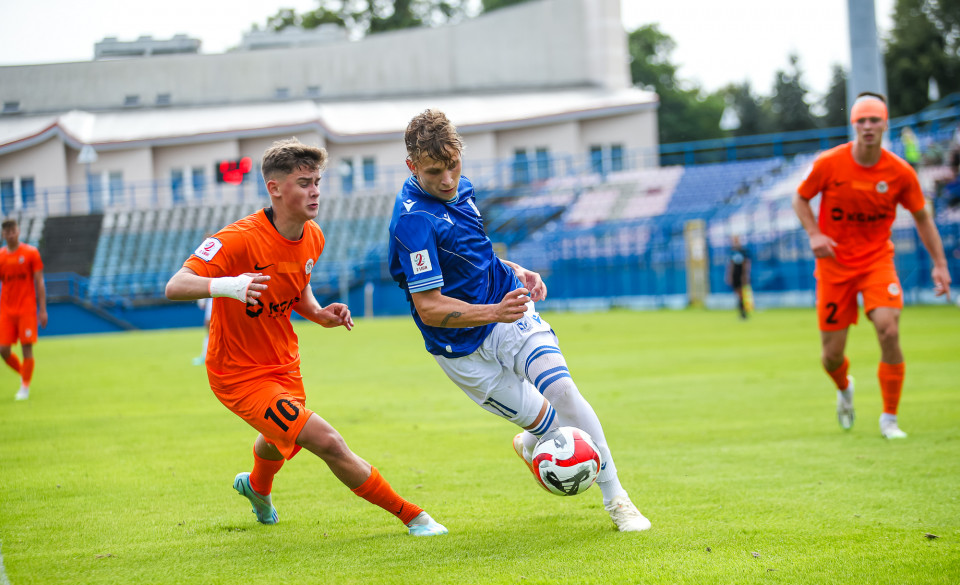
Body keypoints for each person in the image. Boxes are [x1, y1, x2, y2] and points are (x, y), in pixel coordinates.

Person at [165, 138, 447, 536]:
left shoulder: (313, 236)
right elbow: (176, 286)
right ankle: (414, 516)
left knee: (280, 438)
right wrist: (229, 285)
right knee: (326, 441)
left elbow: (297, 286)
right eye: (303, 183)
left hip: (284, 365)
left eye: (317, 182)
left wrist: (318, 313)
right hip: (238, 374)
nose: (315, 191)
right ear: (275, 188)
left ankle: (256, 487)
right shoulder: (237, 239)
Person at [388, 109, 651, 532]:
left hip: (507, 306)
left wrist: (514, 269)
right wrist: (494, 312)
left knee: (563, 391)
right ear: (412, 166)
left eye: (454, 165)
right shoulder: (412, 222)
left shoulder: (463, 189)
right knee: (551, 426)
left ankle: (617, 499)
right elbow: (429, 307)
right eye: (434, 171)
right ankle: (531, 441)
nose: (448, 180)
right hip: (460, 348)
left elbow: (473, 254)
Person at [793, 92, 952, 439]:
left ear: (884, 124)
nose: (867, 126)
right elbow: (801, 198)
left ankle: (889, 418)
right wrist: (815, 234)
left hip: (876, 261)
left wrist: (940, 264)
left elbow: (922, 218)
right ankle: (844, 387)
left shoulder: (899, 172)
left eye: (874, 120)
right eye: (861, 120)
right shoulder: (829, 163)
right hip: (834, 266)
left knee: (889, 329)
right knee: (831, 357)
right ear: (853, 124)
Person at [0, 218, 47, 401]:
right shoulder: (1, 257)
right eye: (7, 232)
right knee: (3, 350)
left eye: (13, 231)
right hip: (6, 310)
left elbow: (39, 282)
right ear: (3, 234)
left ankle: (24, 388)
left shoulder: (30, 253)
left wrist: (42, 310)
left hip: (26, 309)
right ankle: (24, 373)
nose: (11, 235)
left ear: (18, 231)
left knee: (26, 348)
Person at [725, 235, 751, 319]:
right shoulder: (732, 251)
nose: (734, 242)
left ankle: (744, 312)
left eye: (736, 240)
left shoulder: (743, 251)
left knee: (742, 294)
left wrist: (745, 275)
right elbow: (730, 265)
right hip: (735, 275)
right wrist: (729, 275)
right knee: (738, 294)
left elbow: (746, 263)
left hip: (741, 275)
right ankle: (741, 311)